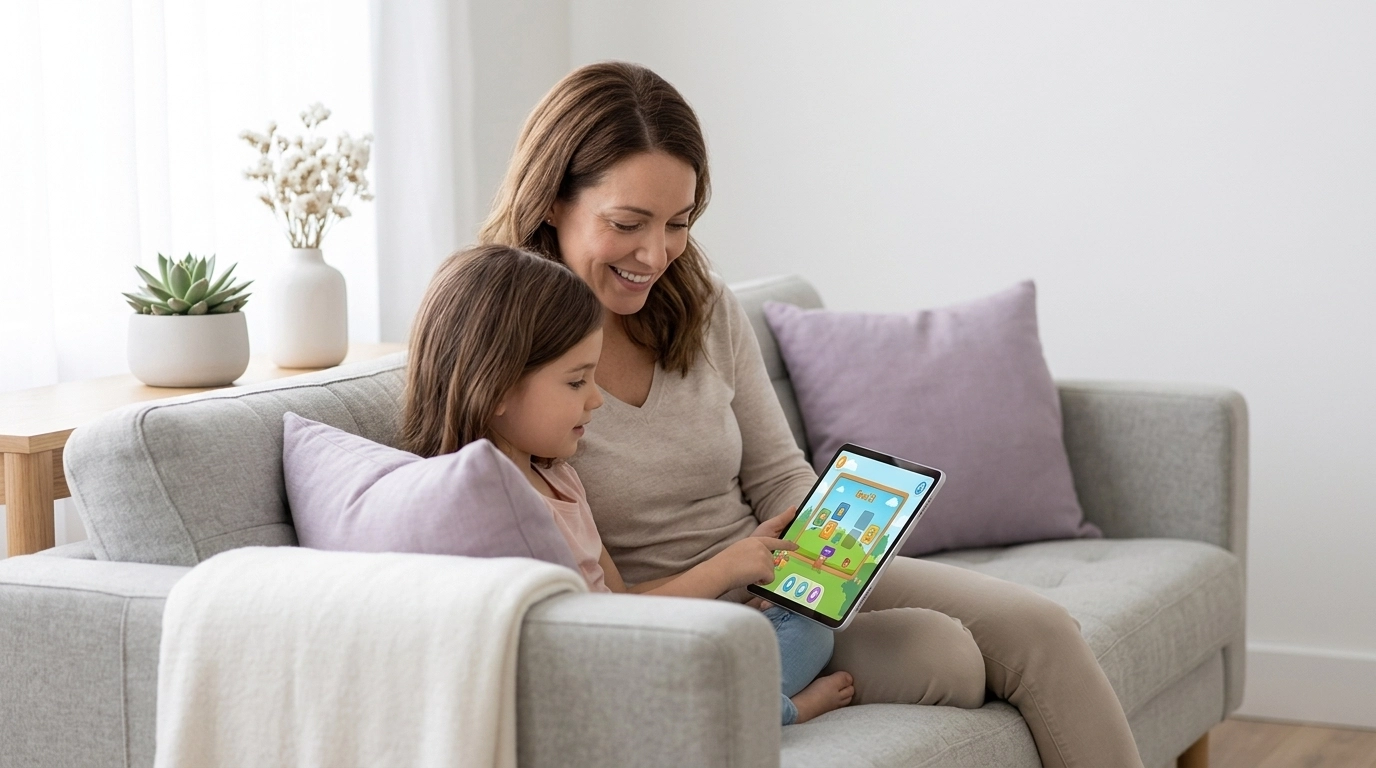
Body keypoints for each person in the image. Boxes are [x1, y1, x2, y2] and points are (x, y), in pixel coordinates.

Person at [477, 61, 1145, 767]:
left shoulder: (698, 303)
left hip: (783, 582)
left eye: (678, 223)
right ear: (553, 199)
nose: (657, 254)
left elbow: (775, 472)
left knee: (1039, 629)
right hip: (676, 623)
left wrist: (829, 553)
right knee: (946, 658)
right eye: (628, 223)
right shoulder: (511, 348)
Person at [398, 244, 854, 725]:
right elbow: (600, 635)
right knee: (731, 674)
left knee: (809, 626)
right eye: (576, 382)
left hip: (642, 646)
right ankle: (776, 712)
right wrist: (721, 572)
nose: (596, 400)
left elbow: (620, 599)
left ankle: (749, 703)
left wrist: (736, 568)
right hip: (612, 677)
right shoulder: (498, 509)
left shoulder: (560, 479)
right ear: (495, 388)